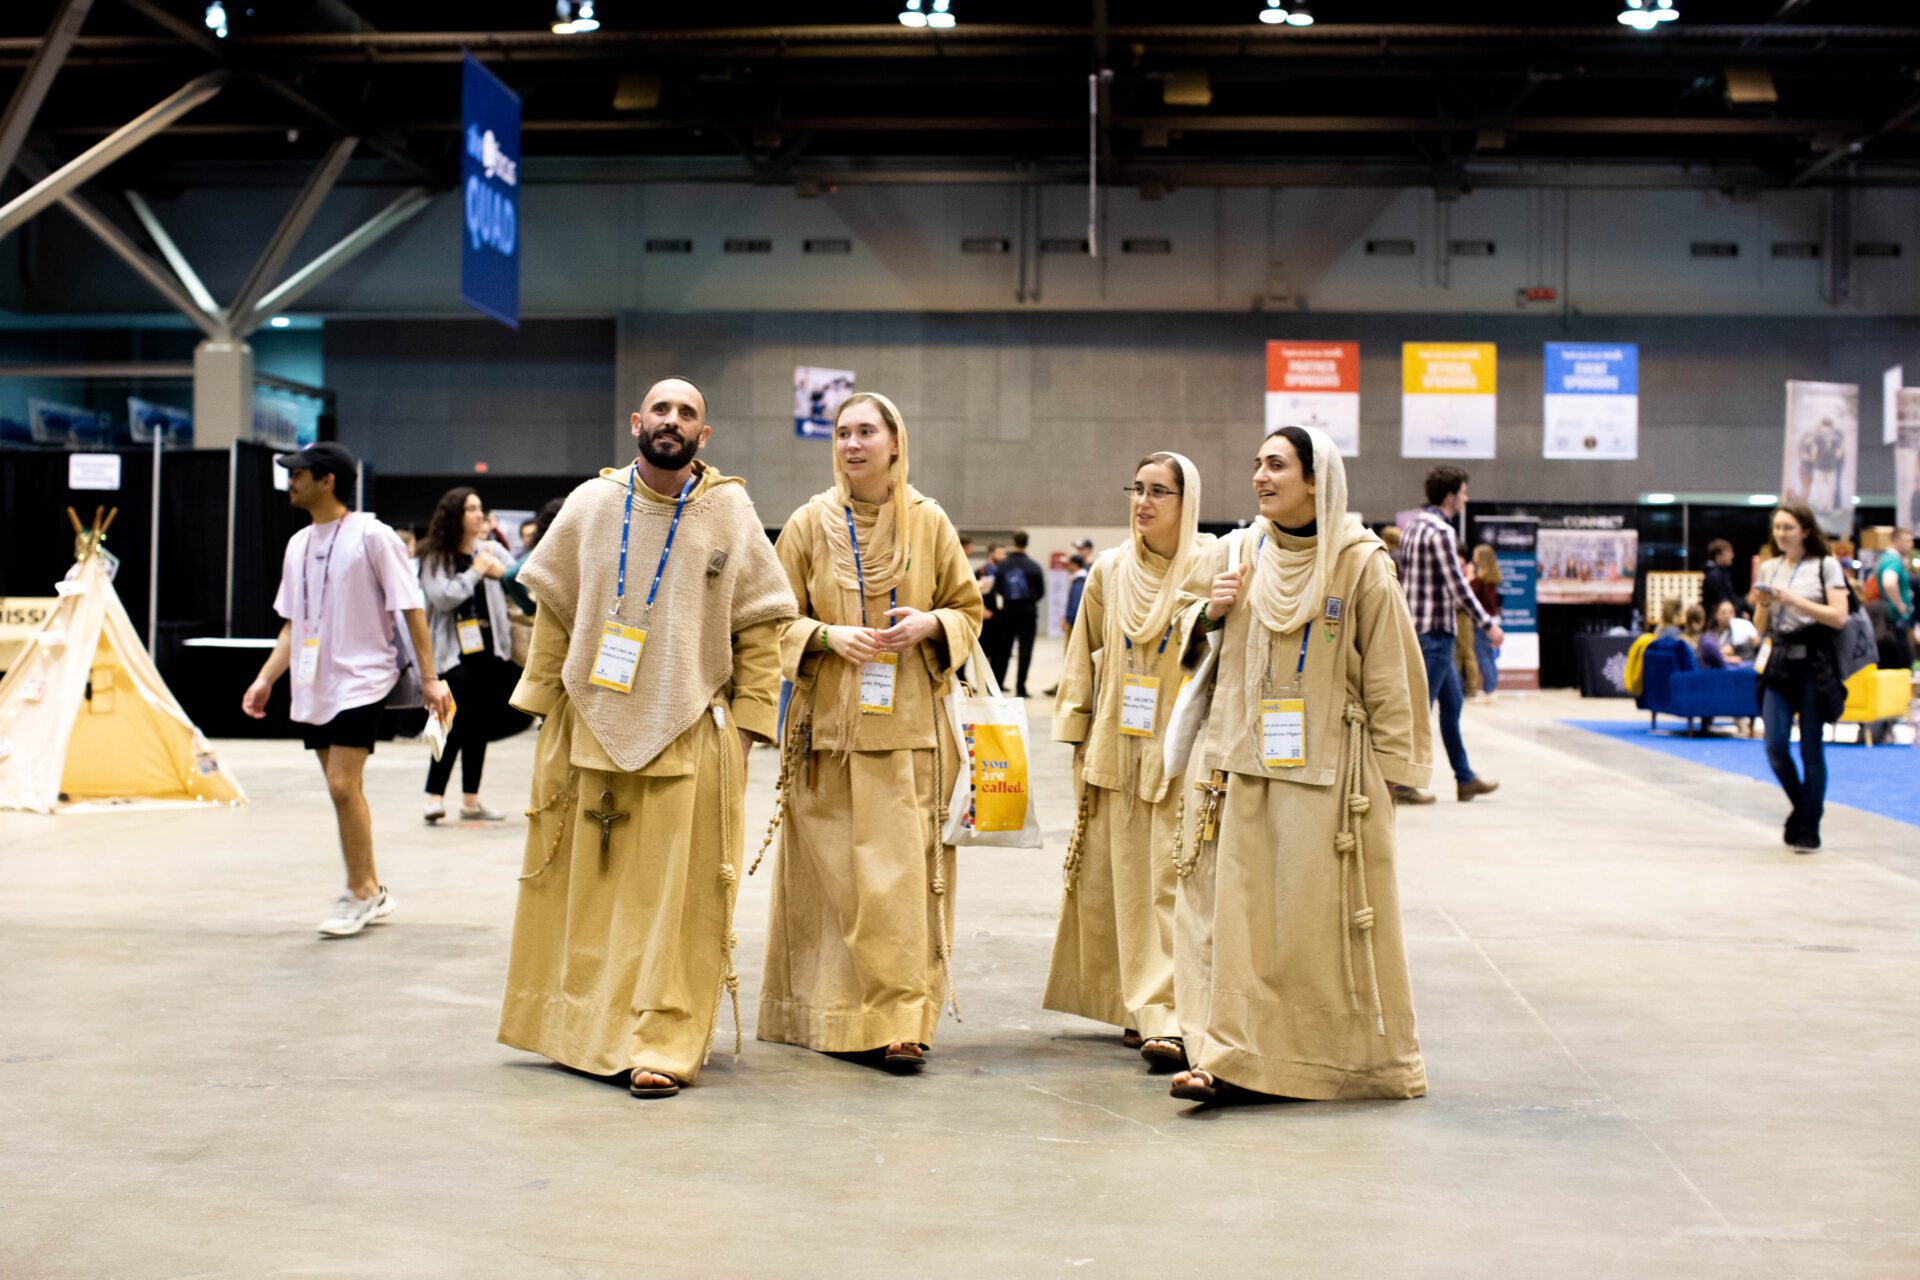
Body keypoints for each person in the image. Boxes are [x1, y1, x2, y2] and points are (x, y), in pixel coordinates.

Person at [497, 377, 797, 1099]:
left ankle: (658, 1040)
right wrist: (542, 716)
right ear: (637, 421)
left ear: (705, 434)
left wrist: (749, 733)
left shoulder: (729, 511)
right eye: (660, 409)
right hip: (584, 729)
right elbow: (556, 620)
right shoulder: (591, 504)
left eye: (687, 413)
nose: (672, 421)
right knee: (586, 898)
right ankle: (579, 1032)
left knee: (676, 904)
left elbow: (761, 630)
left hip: (692, 732)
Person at [1168, 426, 1431, 1104]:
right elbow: (1180, 638)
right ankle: (1231, 1057)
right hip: (1242, 765)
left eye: (1277, 465)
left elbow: (1392, 674)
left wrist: (1394, 775)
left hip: (1330, 779)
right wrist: (1209, 613)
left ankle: (1326, 1064)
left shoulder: (1359, 562)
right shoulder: (1236, 551)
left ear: (1316, 480)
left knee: (1313, 930)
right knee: (1241, 924)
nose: (1260, 476)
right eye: (1256, 463)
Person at [755, 392, 982, 1073]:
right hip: (825, 740)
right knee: (834, 888)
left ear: (894, 442)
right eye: (843, 432)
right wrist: (824, 635)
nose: (853, 444)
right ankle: (823, 1014)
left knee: (900, 888)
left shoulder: (929, 522)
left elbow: (968, 609)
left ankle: (902, 1020)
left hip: (910, 737)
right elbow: (770, 622)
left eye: (866, 432)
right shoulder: (804, 525)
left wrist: (931, 625)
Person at [242, 442, 451, 938]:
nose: (291, 482)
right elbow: (294, 626)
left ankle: (358, 893)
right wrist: (264, 679)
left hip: (364, 678)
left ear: (327, 479)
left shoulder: (373, 537)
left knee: (341, 785)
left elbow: (411, 608)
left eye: (299, 474)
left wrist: (429, 677)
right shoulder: (297, 545)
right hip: (314, 683)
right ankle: (371, 887)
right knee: (344, 791)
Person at [1047, 454, 1210, 1069]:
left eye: (1158, 492)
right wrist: (1074, 729)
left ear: (1185, 500)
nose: (1143, 502)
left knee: (1171, 879)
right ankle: (1136, 1005)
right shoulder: (1110, 569)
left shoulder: (1210, 566)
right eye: (1137, 489)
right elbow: (1079, 653)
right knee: (1118, 879)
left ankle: (1166, 1012)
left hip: (1180, 748)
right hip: (1115, 741)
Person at [1396, 467, 1503, 804]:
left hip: (1419, 630)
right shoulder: (1441, 531)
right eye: (1464, 492)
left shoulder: (1412, 526)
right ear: (1450, 495)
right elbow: (1457, 586)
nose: (1466, 498)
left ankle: (1464, 778)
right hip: (1437, 633)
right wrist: (1488, 623)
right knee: (1420, 711)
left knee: (1452, 706)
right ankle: (1401, 781)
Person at [1750, 502, 1850, 854]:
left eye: (1788, 527)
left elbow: (1839, 617)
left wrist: (1792, 599)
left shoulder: (1825, 566)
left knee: (1811, 749)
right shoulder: (1769, 566)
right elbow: (1759, 628)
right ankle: (1802, 808)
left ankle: (1809, 825)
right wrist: (1763, 602)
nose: (1781, 534)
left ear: (1805, 530)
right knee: (1775, 746)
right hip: (1778, 660)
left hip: (1813, 664)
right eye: (1777, 527)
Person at [418, 487, 522, 823]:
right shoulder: (437, 557)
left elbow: (520, 577)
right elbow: (443, 597)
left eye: (480, 507)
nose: (480, 514)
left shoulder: (491, 550)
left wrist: (499, 573)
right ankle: (434, 796)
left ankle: (470, 800)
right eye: (471, 509)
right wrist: (476, 572)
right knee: (454, 723)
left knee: (477, 724)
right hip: (454, 656)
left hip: (491, 652)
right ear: (455, 516)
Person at [991, 531, 1046, 698]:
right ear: (1027, 544)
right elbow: (1041, 592)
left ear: (1013, 542)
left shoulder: (1003, 565)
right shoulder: (1034, 566)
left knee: (1003, 649)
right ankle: (1020, 687)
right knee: (1025, 650)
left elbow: (997, 589)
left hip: (1007, 613)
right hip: (1028, 613)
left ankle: (997, 684)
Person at [1874, 528, 1915, 673]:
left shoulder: (1884, 558)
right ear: (1896, 541)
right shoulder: (1893, 560)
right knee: (1902, 665)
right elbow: (1889, 582)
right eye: (1908, 541)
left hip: (1889, 618)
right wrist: (1900, 605)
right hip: (1894, 619)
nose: (1911, 545)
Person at [1469, 544, 1502, 699]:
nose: (1473, 557)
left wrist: (1469, 577)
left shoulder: (1479, 579)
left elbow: (1468, 595)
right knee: (1489, 655)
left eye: (1475, 554)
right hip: (1493, 618)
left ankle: (1490, 689)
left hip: (1483, 620)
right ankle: (1492, 687)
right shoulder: (1492, 578)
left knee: (1481, 654)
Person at [1702, 538, 1744, 620]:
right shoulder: (1714, 575)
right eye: (1728, 552)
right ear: (1718, 556)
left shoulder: (1721, 573)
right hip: (1717, 623)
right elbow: (1723, 601)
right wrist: (1740, 615)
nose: (1732, 555)